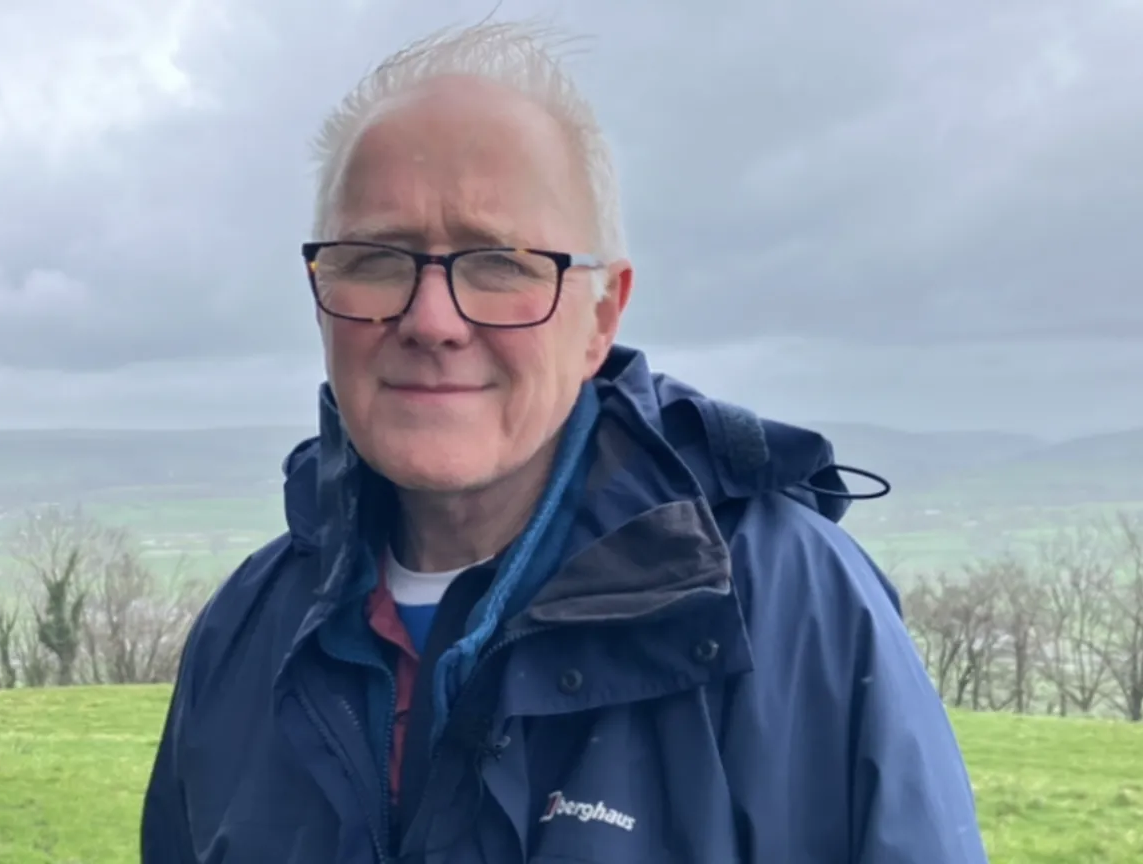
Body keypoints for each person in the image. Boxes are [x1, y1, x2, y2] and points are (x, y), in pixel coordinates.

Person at [141, 20, 989, 864]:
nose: (431, 321)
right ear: (320, 293)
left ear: (601, 316)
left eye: (501, 263)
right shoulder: (245, 633)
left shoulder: (787, 607)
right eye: (376, 259)